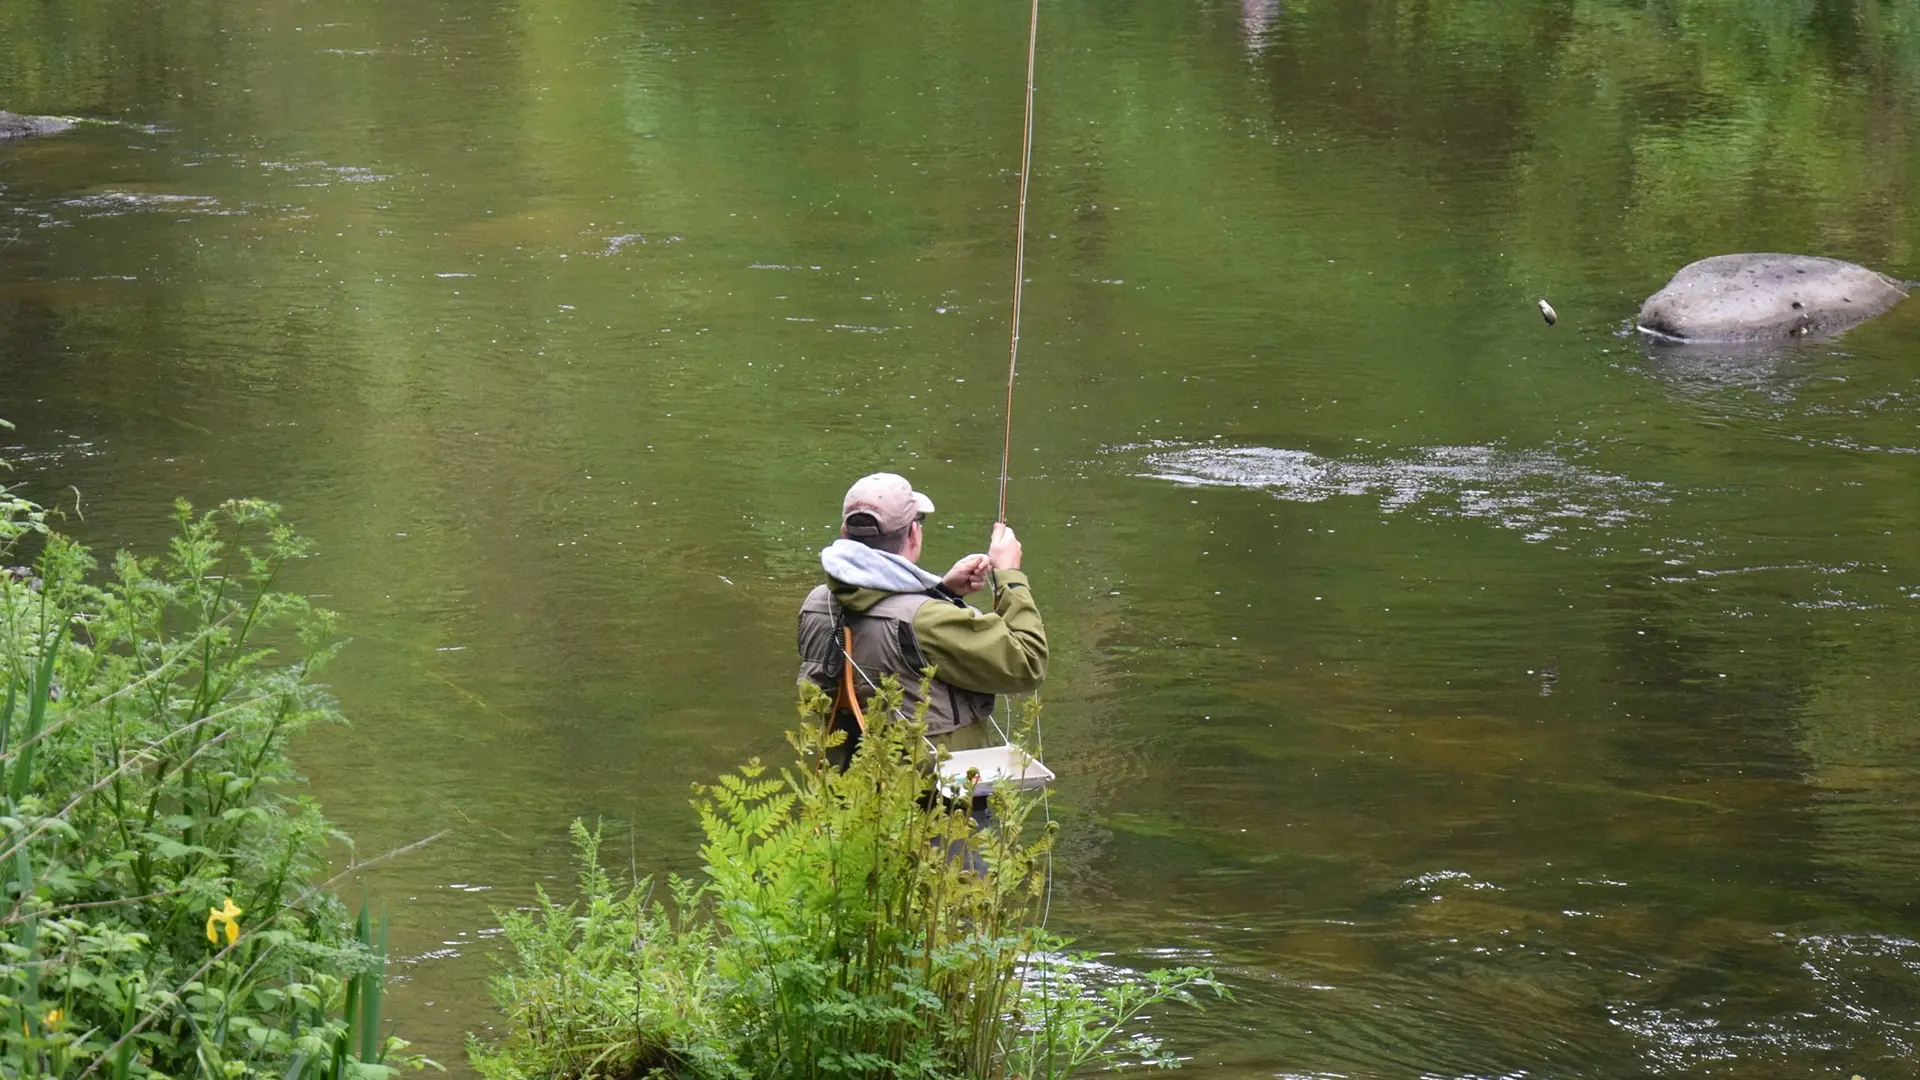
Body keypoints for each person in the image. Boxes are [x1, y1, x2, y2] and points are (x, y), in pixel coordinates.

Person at [798, 472, 1046, 755]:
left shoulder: (815, 604)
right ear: (914, 534)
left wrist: (942, 592)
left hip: (846, 789)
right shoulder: (927, 620)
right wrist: (1009, 575)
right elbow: (1028, 663)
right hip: (929, 795)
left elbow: (883, 624)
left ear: (845, 534)